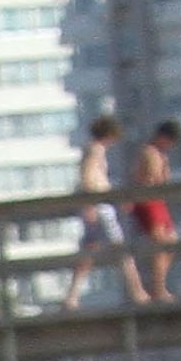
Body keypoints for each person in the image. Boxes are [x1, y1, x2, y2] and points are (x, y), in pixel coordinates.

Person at [67, 115, 128, 307]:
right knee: (120, 249)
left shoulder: (92, 149)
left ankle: (72, 296)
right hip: (98, 205)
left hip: (96, 204)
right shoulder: (95, 149)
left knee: (88, 253)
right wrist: (90, 204)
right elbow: (87, 176)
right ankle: (138, 292)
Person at [129, 119, 181, 303]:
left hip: (158, 202)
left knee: (171, 242)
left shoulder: (161, 155)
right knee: (160, 246)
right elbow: (148, 179)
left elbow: (164, 181)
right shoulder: (149, 152)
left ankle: (157, 286)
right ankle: (158, 290)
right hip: (148, 202)